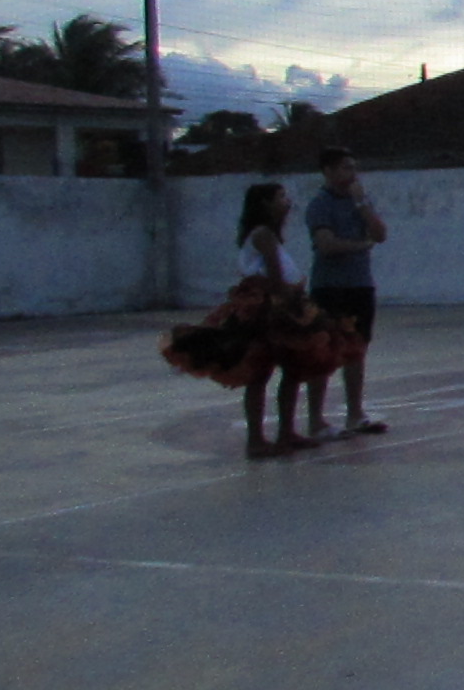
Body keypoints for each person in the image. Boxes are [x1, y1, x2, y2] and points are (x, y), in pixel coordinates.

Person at [161, 181, 364, 458]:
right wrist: (295, 305)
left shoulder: (268, 235)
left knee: (291, 370)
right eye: (281, 197)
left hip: (276, 306)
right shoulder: (264, 235)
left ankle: (285, 433)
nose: (287, 202)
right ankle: (258, 440)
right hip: (269, 310)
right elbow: (275, 277)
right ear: (265, 204)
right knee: (262, 372)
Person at [303, 147, 389, 436]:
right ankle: (316, 419)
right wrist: (359, 246)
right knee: (323, 350)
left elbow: (380, 234)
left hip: (360, 284)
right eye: (345, 167)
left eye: (353, 167)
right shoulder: (320, 205)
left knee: (357, 349)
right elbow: (326, 245)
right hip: (330, 287)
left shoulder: (360, 201)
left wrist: (362, 204)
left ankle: (355, 413)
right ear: (328, 171)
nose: (352, 174)